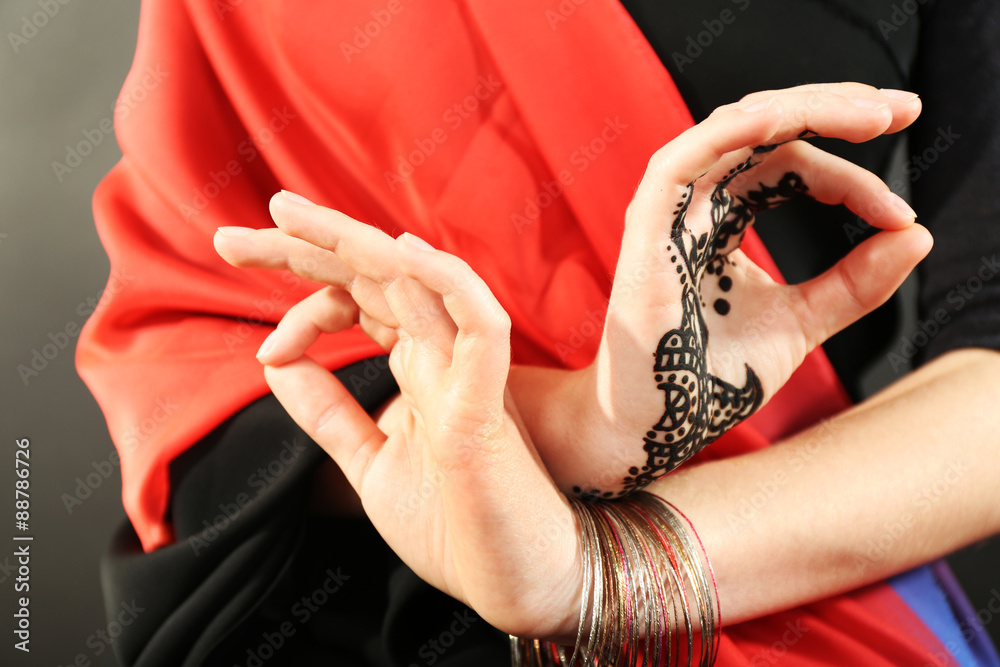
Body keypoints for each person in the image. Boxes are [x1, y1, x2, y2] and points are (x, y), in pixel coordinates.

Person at [76, 0, 1000, 664]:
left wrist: (595, 571)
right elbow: (193, 331)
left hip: (784, 565)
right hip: (363, 596)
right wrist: (563, 426)